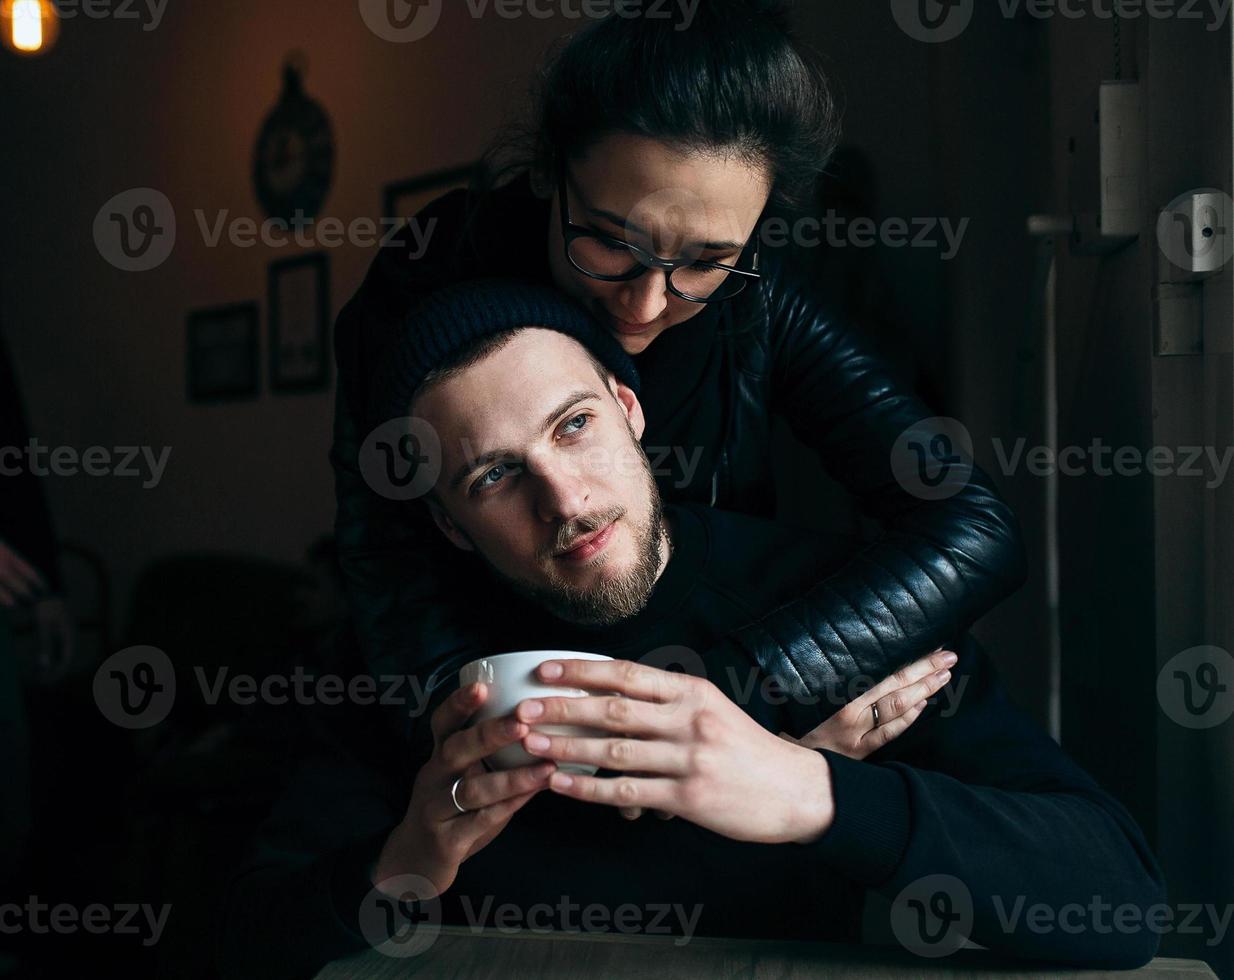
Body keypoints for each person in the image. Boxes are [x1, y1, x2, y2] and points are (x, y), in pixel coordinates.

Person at [219, 282, 1163, 979]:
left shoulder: (830, 599)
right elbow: (241, 947)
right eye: (494, 478)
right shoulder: (407, 657)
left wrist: (804, 788)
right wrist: (410, 860)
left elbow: (1120, 902)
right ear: (447, 523)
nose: (565, 498)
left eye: (576, 425)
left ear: (629, 411)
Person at [331, 0, 1027, 737]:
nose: (644, 303)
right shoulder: (419, 288)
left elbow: (971, 524)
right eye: (606, 243)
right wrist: (506, 742)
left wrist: (732, 702)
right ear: (550, 174)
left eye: (705, 260)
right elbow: (391, 575)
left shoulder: (762, 297)